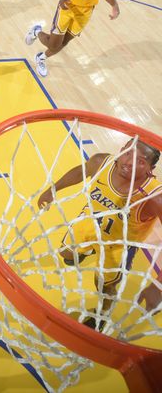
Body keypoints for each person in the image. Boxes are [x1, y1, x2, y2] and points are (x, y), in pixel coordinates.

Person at [37, 140, 162, 327]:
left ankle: (102, 315)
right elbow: (81, 171)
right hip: (89, 222)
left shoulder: (154, 196)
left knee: (105, 285)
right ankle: (88, 250)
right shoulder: (101, 163)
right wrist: (52, 189)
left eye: (140, 161)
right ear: (121, 149)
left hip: (118, 245)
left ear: (150, 169)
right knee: (66, 254)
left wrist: (159, 284)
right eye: (128, 152)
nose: (129, 162)